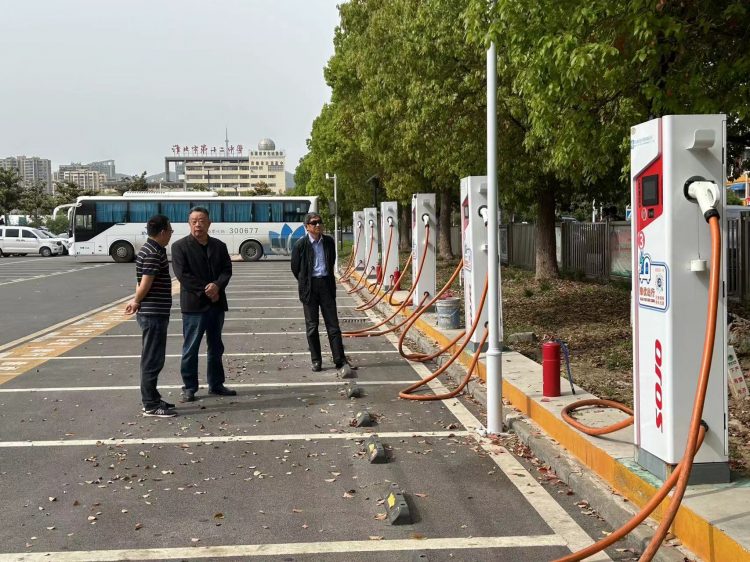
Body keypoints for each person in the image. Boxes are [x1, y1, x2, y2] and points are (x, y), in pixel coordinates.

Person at [171, 206, 236, 401]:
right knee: (191, 348)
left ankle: (216, 384)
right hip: (194, 306)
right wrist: (207, 290)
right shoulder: (179, 246)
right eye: (194, 221)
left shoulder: (219, 245)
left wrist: (217, 285)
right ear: (189, 223)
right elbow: (183, 275)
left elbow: (227, 269)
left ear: (209, 223)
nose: (198, 224)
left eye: (201, 220)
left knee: (216, 347)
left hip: (216, 304)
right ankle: (189, 387)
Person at [124, 214, 177, 418]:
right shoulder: (153, 252)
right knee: (152, 359)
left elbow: (139, 281)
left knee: (153, 357)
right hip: (153, 313)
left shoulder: (149, 249)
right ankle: (150, 404)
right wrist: (136, 301)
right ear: (162, 232)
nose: (171, 234)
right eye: (170, 231)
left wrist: (136, 300)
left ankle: (153, 397)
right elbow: (145, 282)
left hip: (154, 311)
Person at [291, 212, 353, 377]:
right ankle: (316, 360)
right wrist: (306, 282)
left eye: (319, 222)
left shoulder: (328, 242)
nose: (318, 225)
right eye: (314, 223)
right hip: (310, 288)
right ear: (307, 227)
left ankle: (339, 359)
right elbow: (295, 268)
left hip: (326, 285)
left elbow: (331, 261)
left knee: (333, 326)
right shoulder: (300, 245)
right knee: (312, 326)